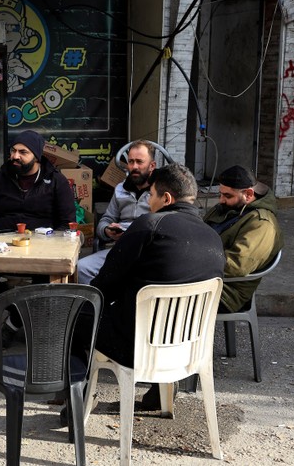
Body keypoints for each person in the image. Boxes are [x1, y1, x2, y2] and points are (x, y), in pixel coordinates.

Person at [66, 164, 225, 421]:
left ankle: (76, 403)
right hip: (188, 348)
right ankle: (156, 396)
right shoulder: (213, 237)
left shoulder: (150, 225)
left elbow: (103, 286)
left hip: (140, 346)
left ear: (167, 199)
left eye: (151, 195)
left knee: (75, 314)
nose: (149, 201)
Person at [0, 130, 75, 303]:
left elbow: (67, 223)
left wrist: (48, 244)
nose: (15, 156)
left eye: (23, 152)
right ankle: (12, 306)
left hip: (42, 249)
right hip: (3, 248)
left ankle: (25, 315)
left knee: (46, 287)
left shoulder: (56, 181)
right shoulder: (0, 177)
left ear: (36, 156)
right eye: (13, 151)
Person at [204, 165, 284, 313]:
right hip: (205, 279)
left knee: (161, 297)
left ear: (248, 194)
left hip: (226, 293)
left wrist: (192, 263)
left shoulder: (262, 224)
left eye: (228, 196)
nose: (221, 200)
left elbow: (236, 265)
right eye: (220, 194)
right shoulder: (226, 209)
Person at [77, 140, 156, 284]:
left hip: (149, 252)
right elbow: (106, 219)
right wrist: (107, 231)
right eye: (131, 162)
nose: (134, 167)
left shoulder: (160, 191)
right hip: (121, 250)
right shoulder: (121, 188)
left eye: (140, 162)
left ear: (152, 166)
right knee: (81, 268)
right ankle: (99, 306)